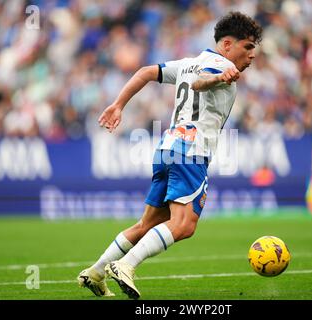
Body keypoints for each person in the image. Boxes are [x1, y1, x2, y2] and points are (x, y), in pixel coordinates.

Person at [77, 11, 262, 299]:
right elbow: (202, 81)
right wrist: (219, 78)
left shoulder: (188, 63)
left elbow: (145, 72)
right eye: (247, 47)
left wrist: (118, 105)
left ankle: (96, 271)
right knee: (184, 225)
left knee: (147, 224)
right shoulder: (219, 67)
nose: (252, 55)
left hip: (167, 148)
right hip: (191, 152)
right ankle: (125, 265)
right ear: (227, 45)